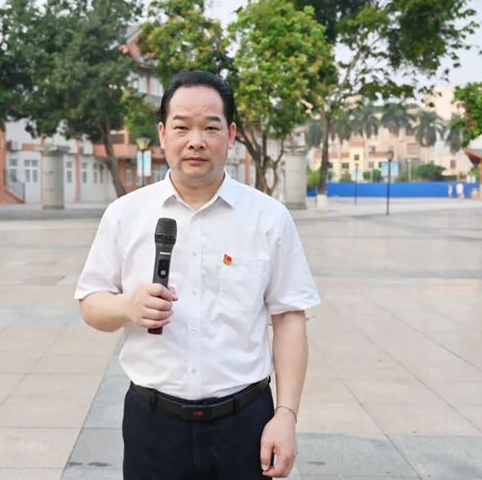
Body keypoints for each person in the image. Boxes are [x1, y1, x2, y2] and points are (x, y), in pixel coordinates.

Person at [75, 71, 320, 480]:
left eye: (210, 127)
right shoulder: (125, 215)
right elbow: (90, 304)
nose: (196, 141)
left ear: (231, 134)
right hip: (153, 425)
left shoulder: (268, 218)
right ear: (162, 133)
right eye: (182, 127)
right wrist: (127, 306)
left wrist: (286, 415)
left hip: (245, 424)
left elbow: (289, 317)